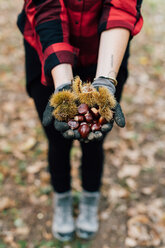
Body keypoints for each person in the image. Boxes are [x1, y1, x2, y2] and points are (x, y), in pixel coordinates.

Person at [17, 0, 143, 242]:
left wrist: (105, 80)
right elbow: (47, 7)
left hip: (106, 50)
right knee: (57, 137)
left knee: (94, 138)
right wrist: (63, 84)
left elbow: (121, 7)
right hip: (47, 47)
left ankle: (89, 199)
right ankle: (62, 200)